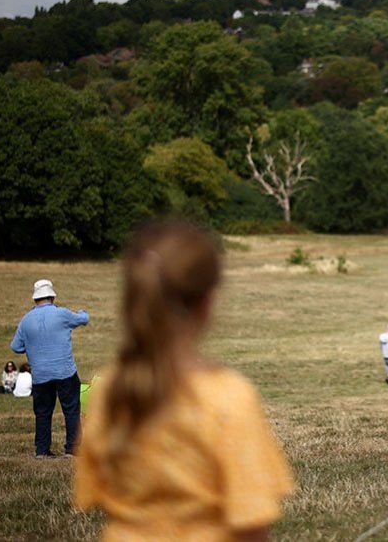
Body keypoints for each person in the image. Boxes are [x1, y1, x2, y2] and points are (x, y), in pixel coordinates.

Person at [73, 220, 292, 539]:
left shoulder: (108, 389)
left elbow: (97, 496)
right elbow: (252, 525)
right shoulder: (230, 396)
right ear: (207, 302)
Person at [10, 279, 88, 458]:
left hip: (40, 375)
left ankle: (42, 451)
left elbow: (15, 346)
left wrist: (31, 345)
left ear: (35, 299)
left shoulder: (26, 320)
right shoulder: (61, 313)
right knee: (71, 409)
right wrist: (82, 312)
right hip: (65, 371)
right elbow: (84, 319)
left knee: (43, 413)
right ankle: (72, 450)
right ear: (52, 296)